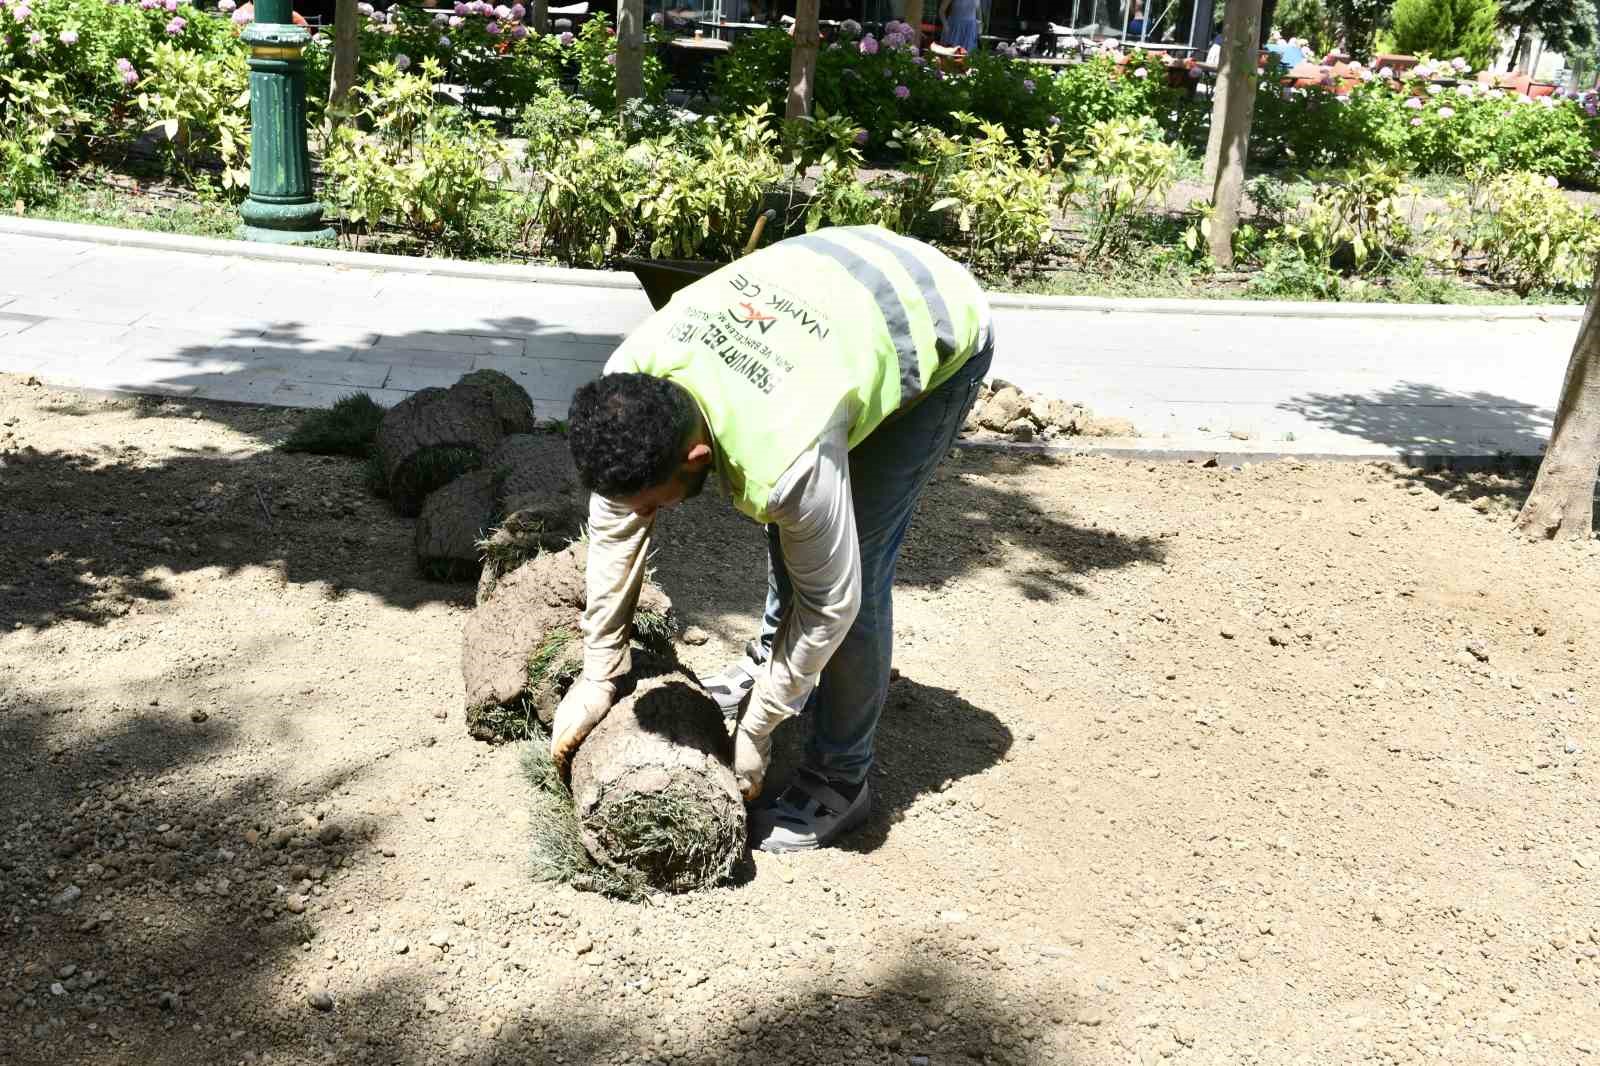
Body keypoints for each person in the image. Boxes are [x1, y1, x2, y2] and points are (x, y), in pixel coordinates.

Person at [552, 225, 994, 853]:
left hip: (931, 316)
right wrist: (599, 672)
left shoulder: (786, 459)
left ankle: (841, 780)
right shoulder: (631, 380)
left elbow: (831, 604)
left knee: (855, 569)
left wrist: (759, 728)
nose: (645, 515)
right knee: (801, 532)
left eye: (654, 502)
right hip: (824, 286)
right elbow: (615, 525)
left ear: (698, 454)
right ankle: (768, 663)